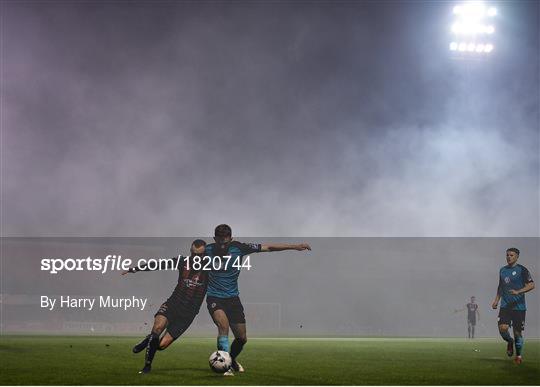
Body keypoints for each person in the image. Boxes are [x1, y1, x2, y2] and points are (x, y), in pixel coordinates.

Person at [205, 224, 311, 376]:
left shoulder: (239, 248)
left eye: (225, 241)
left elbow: (268, 248)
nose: (222, 244)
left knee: (241, 338)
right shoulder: (207, 250)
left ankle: (231, 359)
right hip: (214, 296)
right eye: (220, 241)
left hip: (233, 298)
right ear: (215, 239)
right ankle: (224, 367)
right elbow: (191, 255)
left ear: (231, 239)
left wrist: (294, 246)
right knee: (223, 326)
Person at [122, 239, 208, 373]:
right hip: (173, 303)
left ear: (205, 254)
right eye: (193, 254)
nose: (196, 257)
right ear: (190, 252)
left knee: (161, 345)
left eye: (199, 255)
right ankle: (147, 366)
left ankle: (147, 341)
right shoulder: (182, 262)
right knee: (157, 328)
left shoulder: (211, 269)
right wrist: (135, 269)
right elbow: (159, 264)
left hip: (188, 313)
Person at [491, 247, 535, 364]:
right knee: (502, 329)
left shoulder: (522, 270)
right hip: (505, 306)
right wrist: (496, 300)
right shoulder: (502, 270)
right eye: (507, 255)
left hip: (519, 308)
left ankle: (519, 356)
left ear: (517, 257)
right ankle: (509, 341)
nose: (508, 257)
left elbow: (531, 285)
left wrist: (518, 291)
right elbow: (501, 287)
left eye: (511, 255)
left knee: (517, 333)